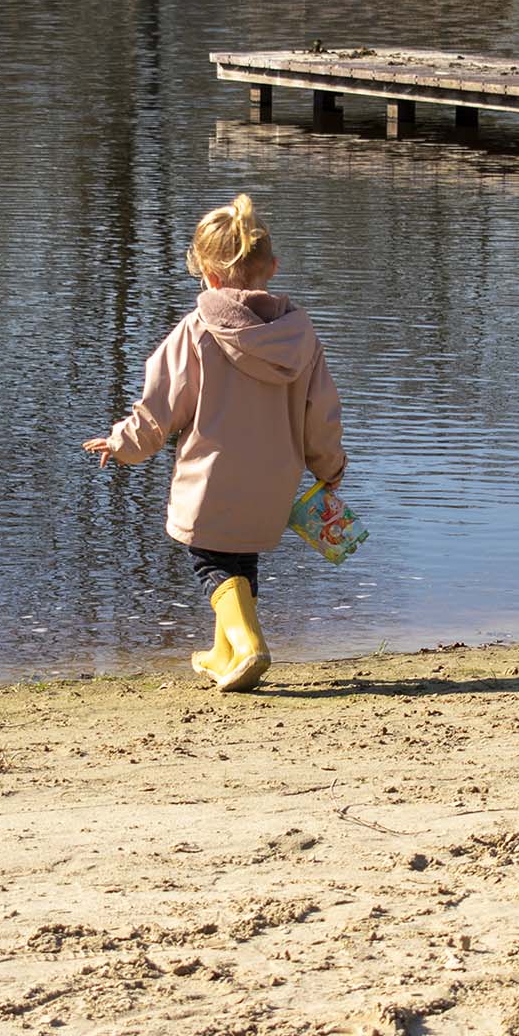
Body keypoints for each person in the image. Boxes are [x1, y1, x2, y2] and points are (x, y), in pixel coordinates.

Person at [84, 194, 346, 692]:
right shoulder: (301, 335)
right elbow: (322, 413)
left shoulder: (197, 332)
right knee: (241, 559)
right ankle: (224, 654)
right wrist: (329, 468)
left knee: (210, 559)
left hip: (212, 477)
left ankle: (247, 643)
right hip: (274, 479)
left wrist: (123, 444)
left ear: (208, 275)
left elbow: (160, 407)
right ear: (272, 267)